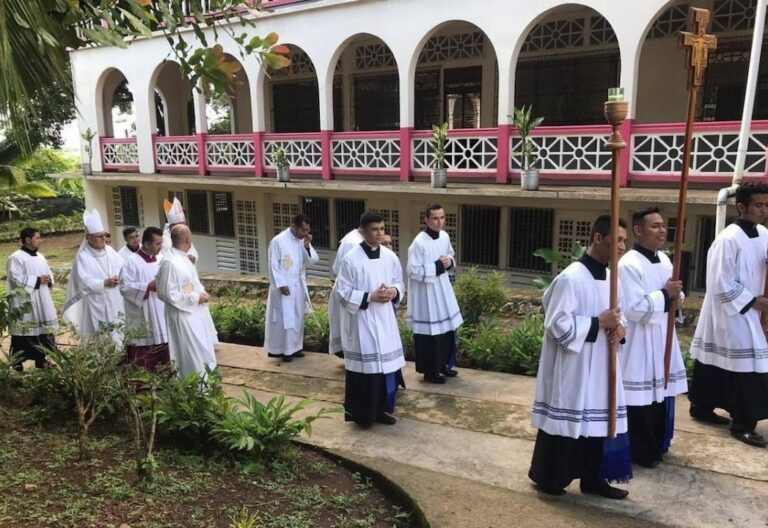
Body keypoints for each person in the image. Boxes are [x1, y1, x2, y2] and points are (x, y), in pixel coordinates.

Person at [529, 215, 632, 500]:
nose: (622, 247)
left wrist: (620, 329)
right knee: (568, 419)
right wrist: (598, 323)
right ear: (598, 238)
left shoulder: (613, 279)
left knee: (597, 420)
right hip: (573, 364)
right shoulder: (571, 277)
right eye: (617, 240)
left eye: (625, 241)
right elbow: (556, 324)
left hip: (601, 362)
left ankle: (593, 479)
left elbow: (619, 316)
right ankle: (551, 476)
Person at [689, 182, 768, 448]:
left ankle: (701, 406)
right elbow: (719, 282)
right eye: (759, 205)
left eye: (767, 205)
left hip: (751, 309)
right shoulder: (728, 239)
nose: (764, 210)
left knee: (716, 363)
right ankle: (743, 425)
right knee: (748, 368)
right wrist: (754, 301)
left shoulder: (764, 234)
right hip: (730, 311)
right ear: (742, 207)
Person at [619, 208, 687, 467]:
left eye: (663, 226)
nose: (662, 231)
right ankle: (640, 450)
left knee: (660, 394)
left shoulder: (666, 259)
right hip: (640, 340)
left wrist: (677, 297)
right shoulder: (629, 264)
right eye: (655, 226)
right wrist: (665, 294)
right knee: (640, 399)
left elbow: (674, 295)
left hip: (662, 336)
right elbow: (634, 308)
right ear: (638, 230)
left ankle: (657, 443)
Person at [336, 211, 406, 427]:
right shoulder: (351, 259)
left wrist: (394, 291)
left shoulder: (390, 257)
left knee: (384, 370)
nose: (379, 234)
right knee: (365, 372)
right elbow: (342, 293)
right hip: (362, 321)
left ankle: (382, 410)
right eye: (374, 230)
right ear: (363, 231)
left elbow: (399, 282)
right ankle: (363, 416)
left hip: (384, 320)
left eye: (382, 229)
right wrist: (369, 297)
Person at [407, 204, 463, 383]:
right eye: (435, 218)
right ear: (426, 220)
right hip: (426, 294)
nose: (440, 222)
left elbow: (450, 254)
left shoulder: (445, 236)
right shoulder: (418, 243)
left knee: (446, 330)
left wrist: (449, 261)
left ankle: (444, 365)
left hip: (443, 289)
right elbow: (413, 270)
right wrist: (438, 266)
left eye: (442, 217)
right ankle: (430, 372)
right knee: (431, 334)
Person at [156, 225, 218, 379]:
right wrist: (196, 298)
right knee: (190, 354)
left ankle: (206, 385)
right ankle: (193, 384)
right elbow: (166, 293)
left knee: (202, 351)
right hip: (182, 315)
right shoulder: (169, 262)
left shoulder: (184, 258)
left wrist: (202, 292)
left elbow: (193, 282)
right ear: (187, 239)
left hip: (195, 313)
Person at [63, 209, 125, 343]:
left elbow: (123, 269)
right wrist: (104, 283)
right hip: (95, 302)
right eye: (99, 236)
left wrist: (119, 278)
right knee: (99, 338)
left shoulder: (110, 251)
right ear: (89, 238)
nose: (104, 239)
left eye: (104, 235)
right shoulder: (83, 257)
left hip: (114, 300)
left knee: (118, 334)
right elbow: (82, 282)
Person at [265, 213, 319, 362]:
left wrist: (307, 246)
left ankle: (295, 348)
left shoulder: (302, 240)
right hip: (284, 287)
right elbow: (273, 265)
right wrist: (281, 284)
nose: (306, 233)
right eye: (303, 230)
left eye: (308, 230)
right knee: (285, 318)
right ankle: (284, 350)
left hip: (298, 285)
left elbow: (311, 260)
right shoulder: (278, 241)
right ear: (294, 226)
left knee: (297, 317)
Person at [6, 228, 58, 371]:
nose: (41, 240)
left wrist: (48, 279)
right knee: (24, 333)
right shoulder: (16, 257)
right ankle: (17, 363)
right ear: (28, 240)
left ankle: (42, 360)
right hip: (25, 302)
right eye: (37, 238)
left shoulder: (40, 257)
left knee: (44, 331)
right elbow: (15, 278)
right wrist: (37, 280)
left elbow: (48, 273)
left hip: (42, 298)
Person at [120, 227, 169, 372]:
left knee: (165, 349)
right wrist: (147, 287)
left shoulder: (161, 259)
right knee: (145, 354)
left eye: (161, 243)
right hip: (143, 313)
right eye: (157, 244)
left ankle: (166, 377)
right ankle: (142, 380)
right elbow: (124, 287)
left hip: (161, 309)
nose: (160, 247)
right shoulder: (131, 262)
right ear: (146, 244)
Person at [328, 221, 364, 357]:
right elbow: (341, 270)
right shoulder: (352, 243)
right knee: (348, 326)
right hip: (348, 291)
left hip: (355, 291)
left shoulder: (356, 239)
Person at [162, 197, 199, 266]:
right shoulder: (165, 240)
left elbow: (193, 250)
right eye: (180, 225)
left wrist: (193, 257)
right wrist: (185, 259)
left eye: (184, 224)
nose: (183, 227)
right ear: (172, 226)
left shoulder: (184, 235)